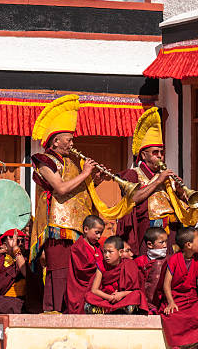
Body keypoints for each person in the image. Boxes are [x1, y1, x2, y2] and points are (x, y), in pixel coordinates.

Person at [30, 95, 132, 313]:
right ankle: (54, 308)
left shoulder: (70, 163)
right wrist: (85, 172)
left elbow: (78, 190)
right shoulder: (44, 160)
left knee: (75, 271)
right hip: (58, 226)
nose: (72, 144)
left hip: (76, 225)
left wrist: (95, 179)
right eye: (69, 139)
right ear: (56, 140)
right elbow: (61, 188)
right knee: (59, 270)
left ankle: (74, 308)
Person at [117, 107, 198, 256]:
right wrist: (157, 181)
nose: (160, 156)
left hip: (170, 233)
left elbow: (178, 207)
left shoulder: (165, 177)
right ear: (144, 155)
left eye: (162, 153)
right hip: (148, 234)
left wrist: (180, 194)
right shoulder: (133, 175)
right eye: (155, 153)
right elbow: (133, 198)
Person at [84, 236, 148, 314]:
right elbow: (94, 289)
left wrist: (121, 294)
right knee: (89, 296)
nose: (107, 255)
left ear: (120, 252)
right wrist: (110, 297)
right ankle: (119, 309)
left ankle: (108, 309)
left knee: (137, 295)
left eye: (110, 252)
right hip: (106, 297)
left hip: (123, 298)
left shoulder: (129, 264)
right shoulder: (101, 265)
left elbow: (136, 290)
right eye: (105, 252)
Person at [66, 215, 104, 314]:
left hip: (97, 287)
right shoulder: (77, 248)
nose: (99, 236)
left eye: (101, 233)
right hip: (81, 289)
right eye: (97, 232)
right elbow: (82, 270)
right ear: (86, 229)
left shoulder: (98, 247)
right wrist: (101, 267)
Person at [0, 229, 28, 314]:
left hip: (20, 301)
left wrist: (15, 248)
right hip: (0, 301)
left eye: (22, 241)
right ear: (4, 245)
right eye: (16, 241)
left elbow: (26, 273)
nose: (20, 243)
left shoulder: (27, 259)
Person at [134, 227, 169, 314]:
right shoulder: (139, 261)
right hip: (143, 301)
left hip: (163, 300)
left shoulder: (169, 260)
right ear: (150, 245)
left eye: (166, 242)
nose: (165, 245)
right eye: (161, 242)